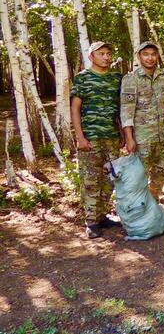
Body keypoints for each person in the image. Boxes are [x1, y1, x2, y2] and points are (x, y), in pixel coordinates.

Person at [70, 41, 123, 239]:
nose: (106, 57)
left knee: (110, 178)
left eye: (109, 53)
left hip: (112, 137)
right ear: (91, 56)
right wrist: (80, 137)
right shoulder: (82, 78)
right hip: (90, 137)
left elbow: (121, 108)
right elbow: (75, 108)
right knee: (90, 180)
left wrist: (123, 134)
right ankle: (91, 221)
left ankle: (101, 215)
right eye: (101, 53)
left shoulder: (116, 78)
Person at [120, 41, 164, 199]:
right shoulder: (131, 79)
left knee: (160, 171)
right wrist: (129, 138)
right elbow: (126, 110)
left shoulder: (163, 76)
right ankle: (138, 206)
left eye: (153, 54)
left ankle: (153, 202)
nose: (150, 58)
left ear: (157, 56)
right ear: (139, 56)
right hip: (141, 136)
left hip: (161, 134)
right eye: (146, 54)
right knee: (139, 174)